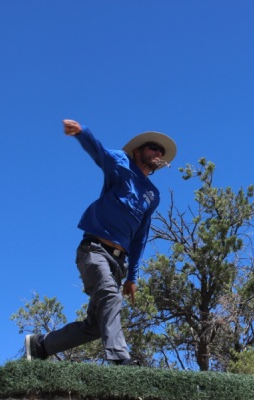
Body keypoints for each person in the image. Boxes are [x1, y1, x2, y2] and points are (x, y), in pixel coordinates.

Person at [25, 119, 176, 365]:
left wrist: (132, 277)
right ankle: (119, 359)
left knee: (96, 326)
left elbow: (140, 236)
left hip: (120, 263)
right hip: (94, 250)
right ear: (138, 151)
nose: (158, 152)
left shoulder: (153, 195)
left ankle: (41, 346)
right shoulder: (122, 164)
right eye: (152, 147)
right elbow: (100, 153)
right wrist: (82, 133)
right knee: (109, 297)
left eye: (161, 151)